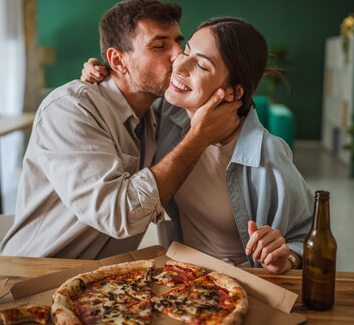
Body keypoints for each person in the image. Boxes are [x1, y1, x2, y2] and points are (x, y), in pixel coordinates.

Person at [0, 0, 242, 259]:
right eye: (160, 46)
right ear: (117, 61)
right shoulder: (69, 109)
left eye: (178, 43)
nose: (178, 56)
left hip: (105, 284)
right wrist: (198, 138)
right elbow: (120, 215)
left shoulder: (159, 113)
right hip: (31, 275)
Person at [81, 17, 313, 273]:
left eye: (201, 65)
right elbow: (129, 93)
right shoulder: (166, 118)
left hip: (241, 282)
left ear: (235, 92)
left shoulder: (266, 153)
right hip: (181, 276)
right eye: (187, 52)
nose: (179, 65)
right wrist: (104, 74)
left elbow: (309, 238)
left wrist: (287, 257)